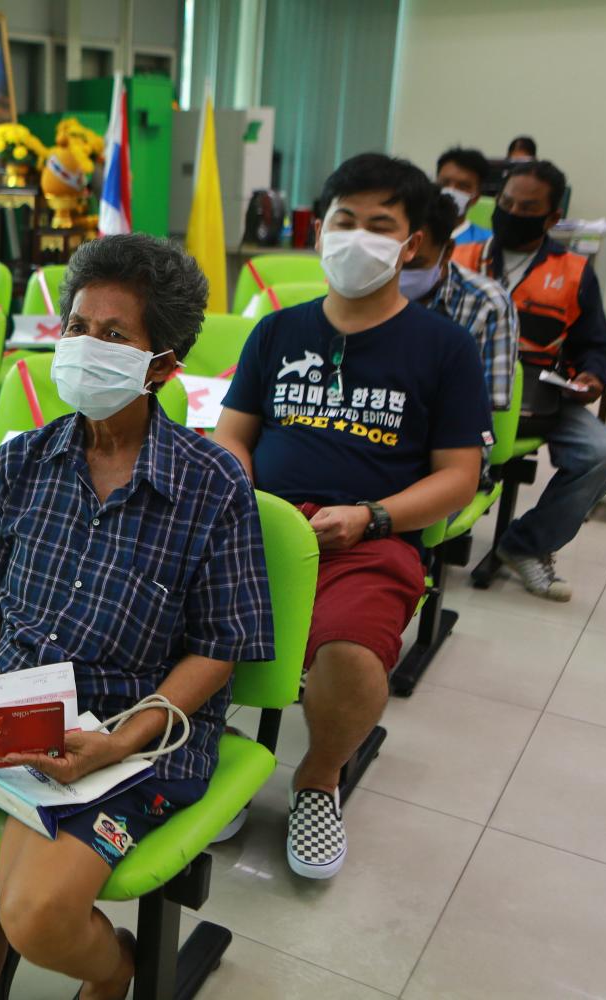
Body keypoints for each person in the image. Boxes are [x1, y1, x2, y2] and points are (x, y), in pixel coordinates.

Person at [0, 234, 274, 1000]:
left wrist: (114, 742)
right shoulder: (22, 459)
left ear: (162, 365)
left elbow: (219, 649)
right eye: (75, 327)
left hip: (130, 723)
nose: (83, 347)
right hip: (2, 697)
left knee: (39, 914)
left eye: (113, 336)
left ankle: (119, 969)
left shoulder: (212, 484)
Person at [214, 154, 489, 881]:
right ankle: (209, 756)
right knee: (175, 611)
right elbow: (232, 434)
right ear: (321, 229)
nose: (356, 238)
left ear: (414, 245)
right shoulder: (276, 332)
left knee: (351, 654)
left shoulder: (445, 348)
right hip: (264, 525)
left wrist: (371, 517)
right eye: (344, 220)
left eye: (380, 225)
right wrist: (242, 502)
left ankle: (318, 779)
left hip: (371, 535)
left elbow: (460, 475)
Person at [452, 160, 606, 601]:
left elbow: (593, 342)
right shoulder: (460, 257)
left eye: (526, 207)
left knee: (605, 455)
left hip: (540, 391)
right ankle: (432, 538)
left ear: (551, 218)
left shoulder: (574, 271)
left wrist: (592, 375)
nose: (511, 211)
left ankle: (524, 544)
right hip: (461, 387)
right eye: (506, 203)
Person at [402, 189, 518, 411]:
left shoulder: (486, 303)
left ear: (447, 252)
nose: (398, 275)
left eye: (413, 265)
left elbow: (484, 406)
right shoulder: (362, 286)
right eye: (390, 264)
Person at [434, 146, 492, 247]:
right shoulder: (414, 233)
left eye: (463, 186)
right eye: (444, 183)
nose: (450, 191)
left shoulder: (487, 242)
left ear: (476, 197)